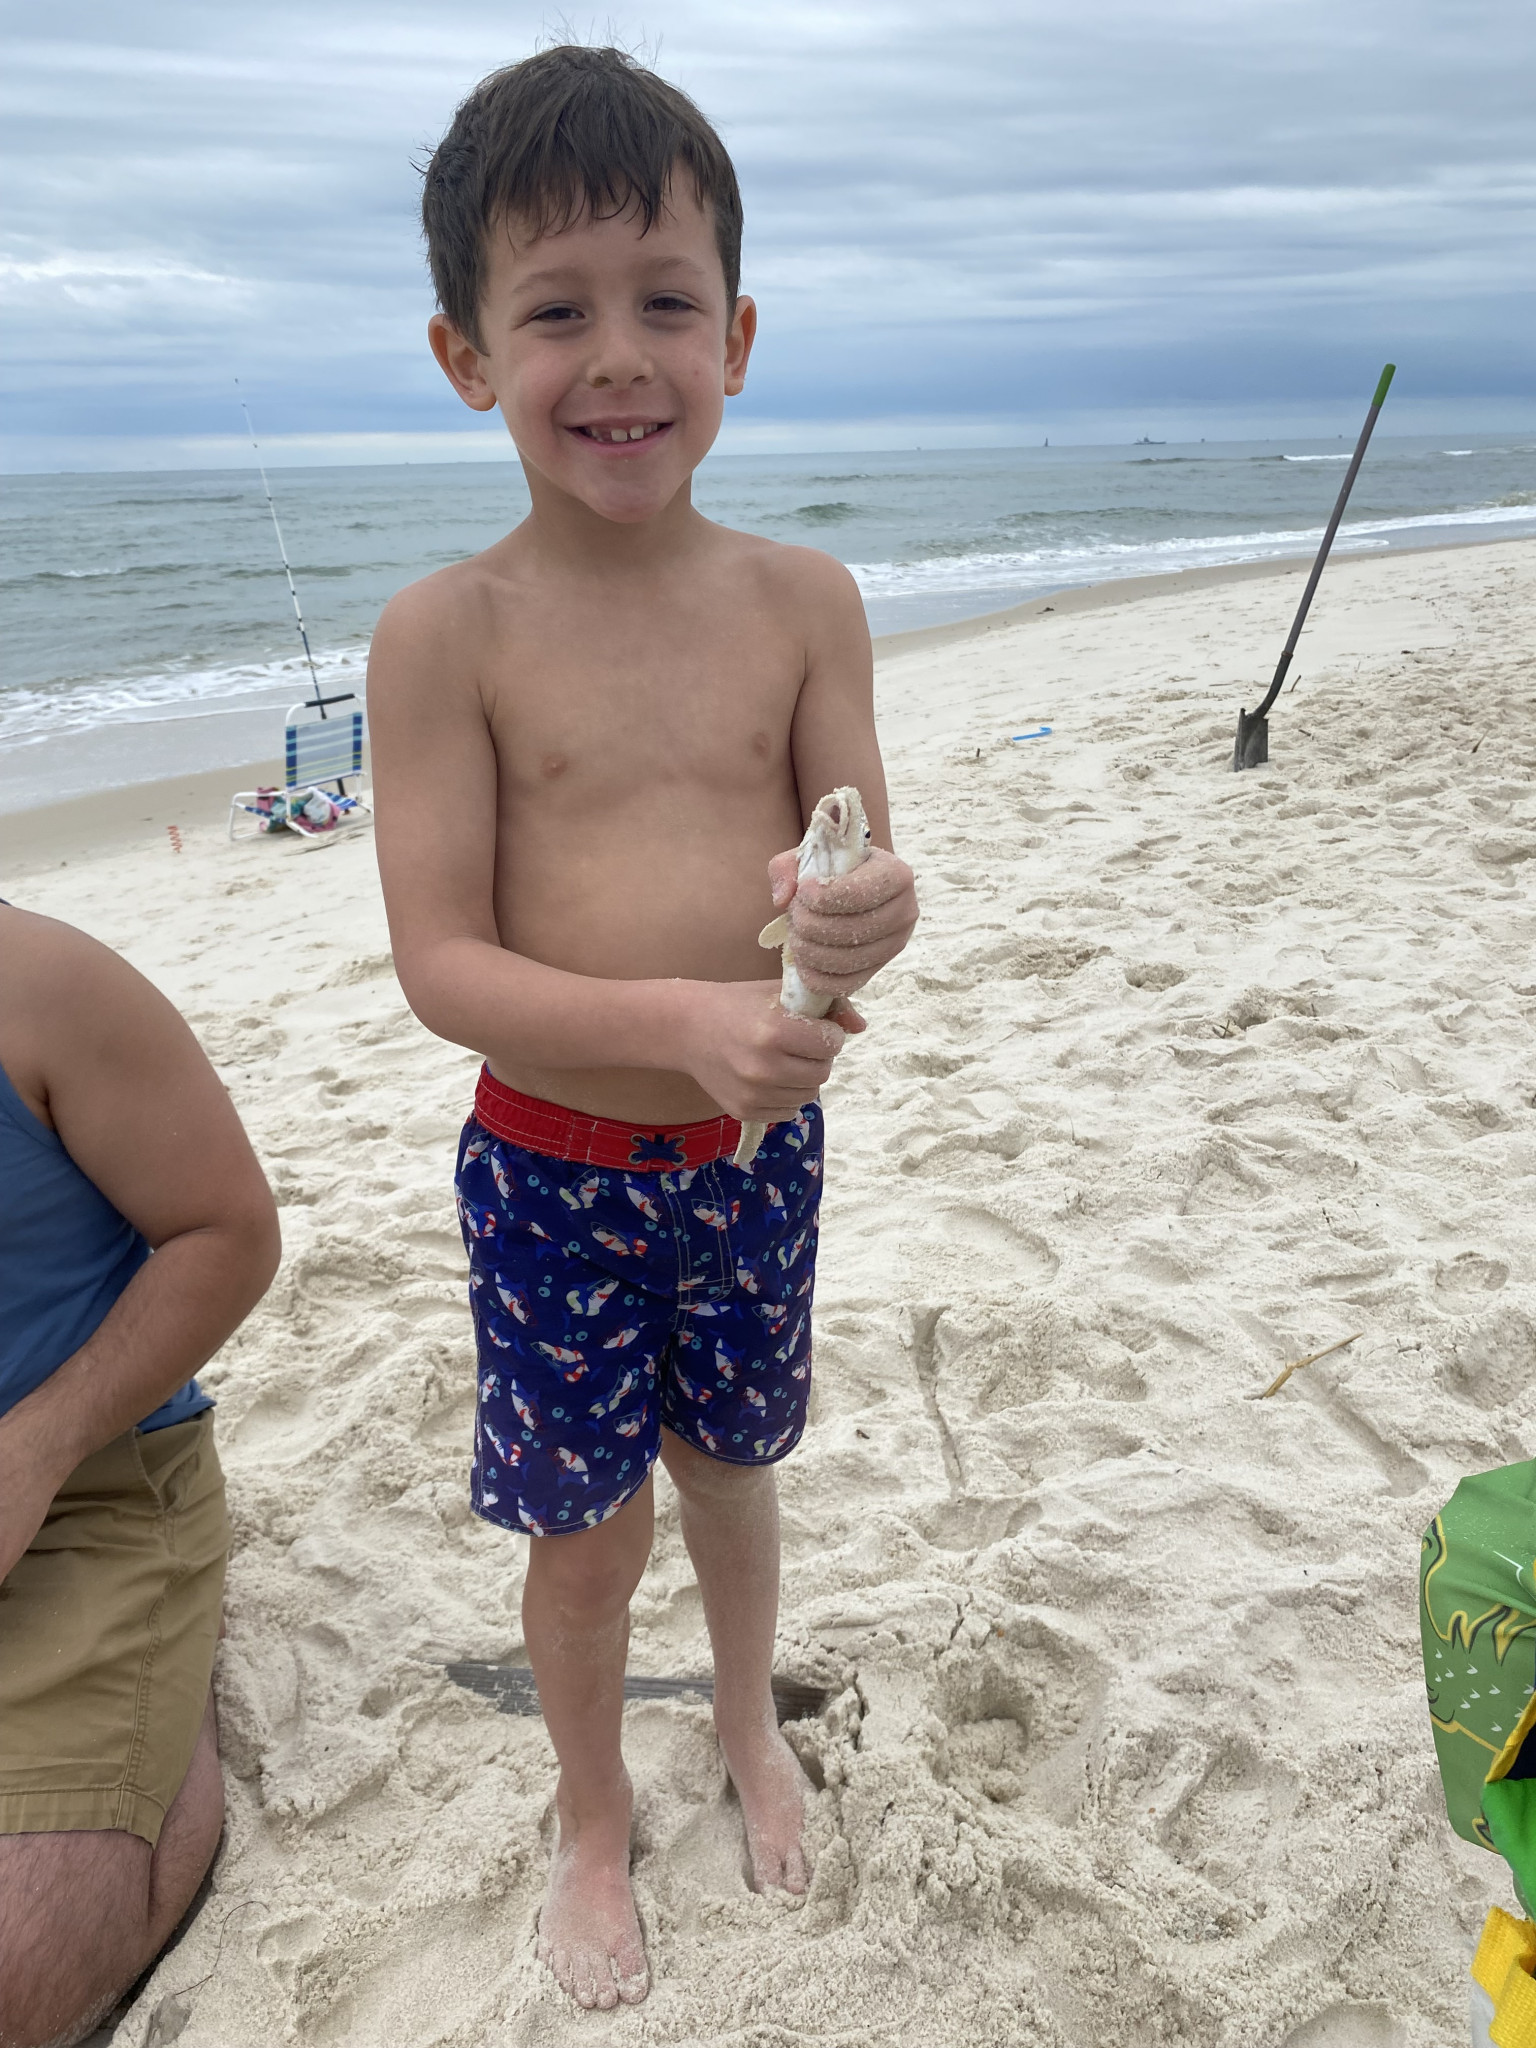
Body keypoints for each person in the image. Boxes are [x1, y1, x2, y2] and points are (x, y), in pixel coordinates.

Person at [367, 43, 919, 2014]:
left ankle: (745, 1716)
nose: (618, 358)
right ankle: (592, 1807)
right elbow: (442, 962)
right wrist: (682, 1013)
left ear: (737, 336)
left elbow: (864, 877)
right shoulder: (447, 635)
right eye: (555, 313)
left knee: (735, 1475)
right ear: (466, 356)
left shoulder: (804, 600)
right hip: (551, 1172)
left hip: (754, 1157)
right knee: (588, 1536)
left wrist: (861, 918)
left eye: (666, 301)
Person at [0, 906, 280, 2048]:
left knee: (18, 1980)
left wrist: (32, 1450)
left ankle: (177, 1672)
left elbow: (229, 1231)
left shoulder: (40, 985)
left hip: (86, 1480)